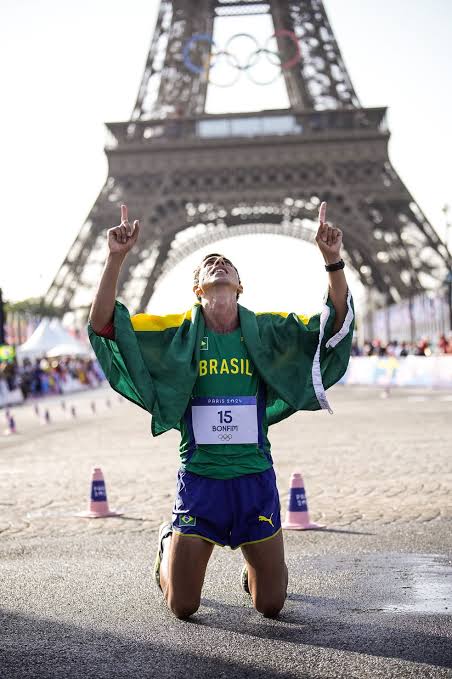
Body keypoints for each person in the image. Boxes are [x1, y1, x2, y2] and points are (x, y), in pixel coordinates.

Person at [88, 202, 354, 620]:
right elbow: (105, 325)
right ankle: (166, 545)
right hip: (200, 479)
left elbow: (333, 326)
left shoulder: (266, 330)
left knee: (270, 605)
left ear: (239, 285)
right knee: (183, 607)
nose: (217, 263)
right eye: (209, 264)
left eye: (226, 263)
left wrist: (331, 260)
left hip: (253, 478)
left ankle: (257, 574)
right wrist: (115, 258)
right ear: (198, 287)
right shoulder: (176, 335)